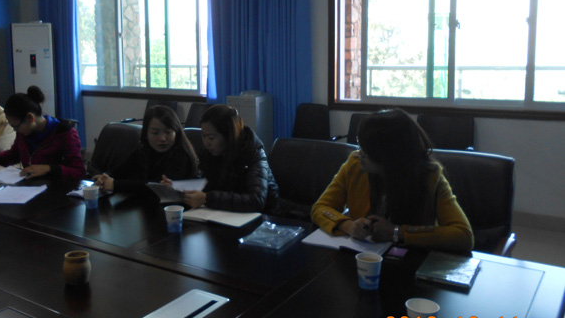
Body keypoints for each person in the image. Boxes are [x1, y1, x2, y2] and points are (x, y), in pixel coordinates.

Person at [311, 108, 474, 252]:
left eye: (367, 149)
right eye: (361, 144)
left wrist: (396, 232)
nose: (360, 153)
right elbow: (320, 207)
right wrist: (348, 226)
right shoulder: (354, 164)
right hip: (363, 257)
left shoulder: (430, 176)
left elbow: (463, 235)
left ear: (389, 153)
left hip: (411, 260)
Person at [182, 104, 278, 213]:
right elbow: (204, 183)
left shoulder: (253, 152)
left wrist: (207, 198)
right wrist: (179, 188)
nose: (206, 143)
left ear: (229, 136)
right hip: (225, 213)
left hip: (264, 215)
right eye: (203, 136)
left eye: (211, 138)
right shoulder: (210, 152)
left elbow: (256, 200)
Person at [0, 86, 85, 181]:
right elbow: (14, 154)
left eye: (16, 126)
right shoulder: (25, 132)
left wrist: (49, 168)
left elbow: (79, 171)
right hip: (32, 187)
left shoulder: (65, 133)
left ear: (30, 118)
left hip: (57, 189)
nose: (15, 130)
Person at [93, 105, 198, 194]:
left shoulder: (181, 155)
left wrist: (115, 184)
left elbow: (156, 186)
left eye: (168, 132)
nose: (162, 138)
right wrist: (105, 177)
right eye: (155, 133)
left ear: (177, 132)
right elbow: (120, 170)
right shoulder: (143, 149)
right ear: (146, 133)